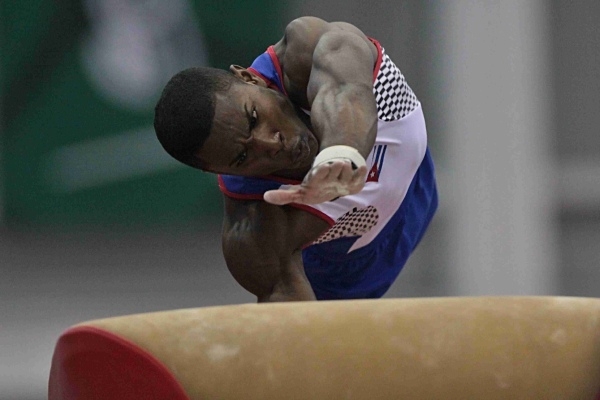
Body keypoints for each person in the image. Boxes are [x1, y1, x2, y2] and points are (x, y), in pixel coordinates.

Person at [154, 16, 438, 302]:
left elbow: (343, 92)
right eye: (242, 157)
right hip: (348, 275)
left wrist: (339, 154)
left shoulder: (307, 50)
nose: (271, 144)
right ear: (219, 170)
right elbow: (293, 315)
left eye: (254, 118)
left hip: (416, 182)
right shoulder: (254, 229)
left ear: (249, 78)